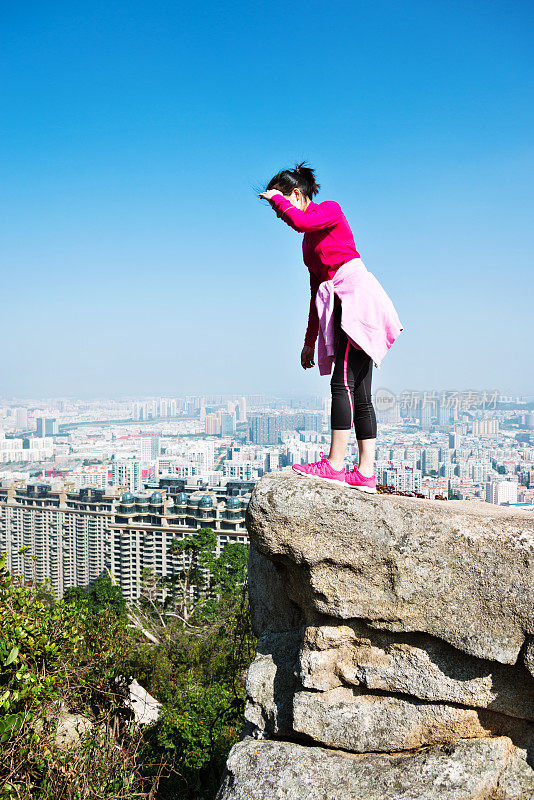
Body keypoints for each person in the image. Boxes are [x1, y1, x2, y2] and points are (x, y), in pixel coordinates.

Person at [259, 162, 403, 493]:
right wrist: (309, 341)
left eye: (282, 205)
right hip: (339, 307)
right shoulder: (308, 244)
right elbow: (315, 293)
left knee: (343, 384)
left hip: (356, 302)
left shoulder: (329, 211)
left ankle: (335, 464)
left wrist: (276, 200)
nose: (279, 215)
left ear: (297, 194)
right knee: (361, 391)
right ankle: (365, 473)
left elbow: (299, 220)